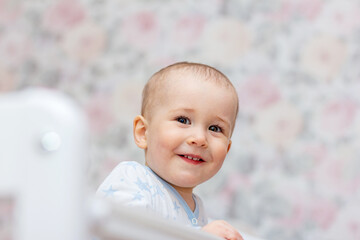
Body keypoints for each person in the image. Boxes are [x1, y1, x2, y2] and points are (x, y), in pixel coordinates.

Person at [96, 62, 243, 240]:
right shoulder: (131, 179)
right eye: (183, 119)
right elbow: (120, 233)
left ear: (227, 149)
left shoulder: (199, 211)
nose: (200, 138)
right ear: (143, 132)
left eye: (215, 128)